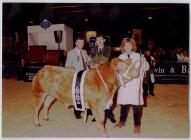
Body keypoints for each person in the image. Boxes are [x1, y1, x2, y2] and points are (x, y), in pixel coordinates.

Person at [115, 37, 149, 134]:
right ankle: (122, 121)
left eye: (129, 45)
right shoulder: (120, 57)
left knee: (136, 106)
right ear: (123, 46)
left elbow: (146, 68)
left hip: (135, 85)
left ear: (133, 46)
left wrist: (144, 61)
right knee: (123, 105)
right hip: (124, 85)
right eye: (125, 45)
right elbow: (117, 70)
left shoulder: (138, 56)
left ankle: (137, 126)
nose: (127, 47)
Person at [89, 33, 116, 123]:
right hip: (95, 77)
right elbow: (91, 62)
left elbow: (112, 63)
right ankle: (96, 114)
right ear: (96, 41)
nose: (99, 41)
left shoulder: (110, 49)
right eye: (97, 40)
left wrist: (100, 65)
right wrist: (90, 63)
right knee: (96, 96)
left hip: (106, 77)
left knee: (108, 96)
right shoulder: (93, 50)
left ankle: (109, 114)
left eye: (101, 40)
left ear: (104, 40)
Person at [65, 36, 91, 119]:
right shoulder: (71, 53)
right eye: (79, 42)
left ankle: (88, 110)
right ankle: (77, 112)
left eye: (82, 43)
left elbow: (87, 64)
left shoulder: (84, 51)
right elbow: (67, 66)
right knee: (77, 95)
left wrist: (89, 61)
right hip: (77, 77)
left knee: (87, 93)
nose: (81, 44)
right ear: (76, 43)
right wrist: (73, 72)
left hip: (86, 75)